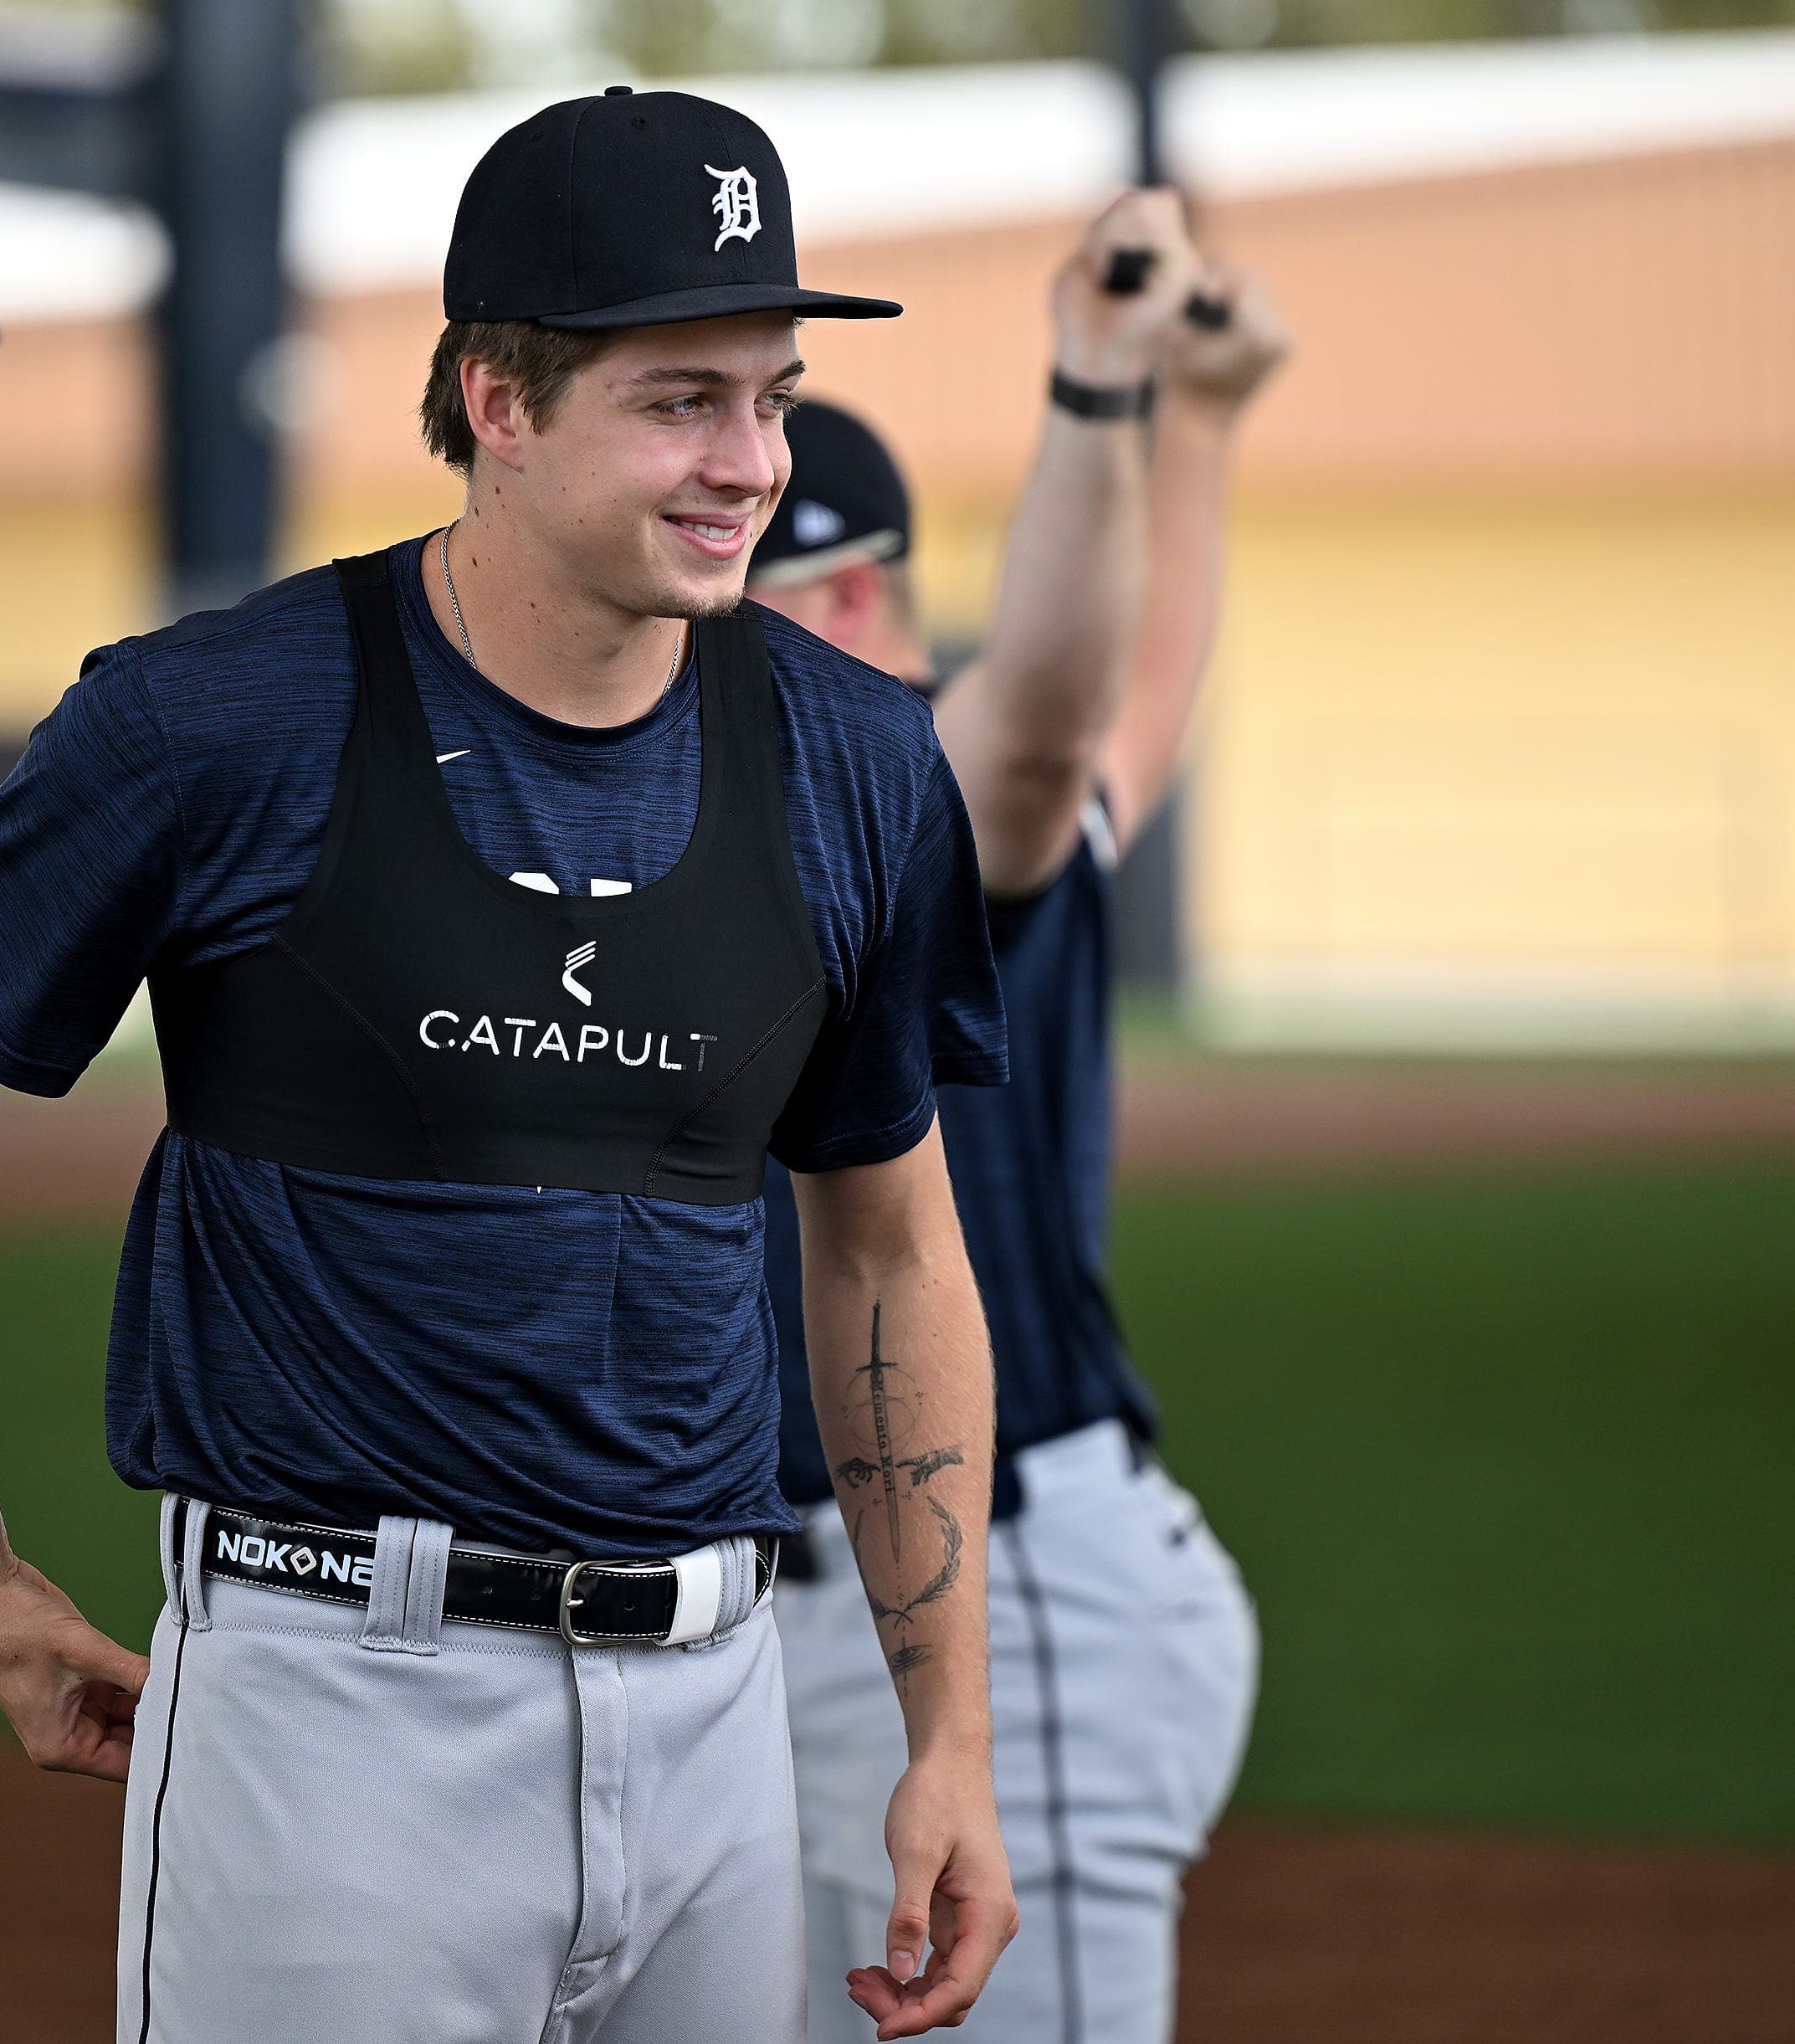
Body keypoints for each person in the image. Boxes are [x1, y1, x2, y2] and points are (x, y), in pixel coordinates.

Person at [0, 87, 1014, 2044]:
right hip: (328, 1724)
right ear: (498, 397)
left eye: (771, 396)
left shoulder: (857, 761)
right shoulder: (215, 722)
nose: (752, 466)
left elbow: (885, 1248)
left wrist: (942, 1731)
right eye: (680, 401)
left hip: (719, 1710)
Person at [744, 208, 1295, 2044]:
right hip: (834, 1608)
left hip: (1009, 1599)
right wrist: (1199, 426)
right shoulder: (775, 804)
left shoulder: (917, 790)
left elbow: (1054, 717)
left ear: (830, 596)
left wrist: (1095, 387)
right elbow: (1142, 689)